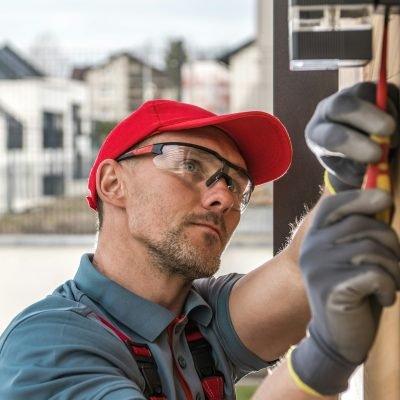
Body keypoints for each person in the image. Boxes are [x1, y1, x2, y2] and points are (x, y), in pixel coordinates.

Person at [0, 81, 398, 400]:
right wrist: (319, 365)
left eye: (236, 183)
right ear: (112, 183)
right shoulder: (47, 348)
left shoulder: (196, 318)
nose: (223, 196)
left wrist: (348, 176)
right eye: (190, 164)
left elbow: (299, 271)